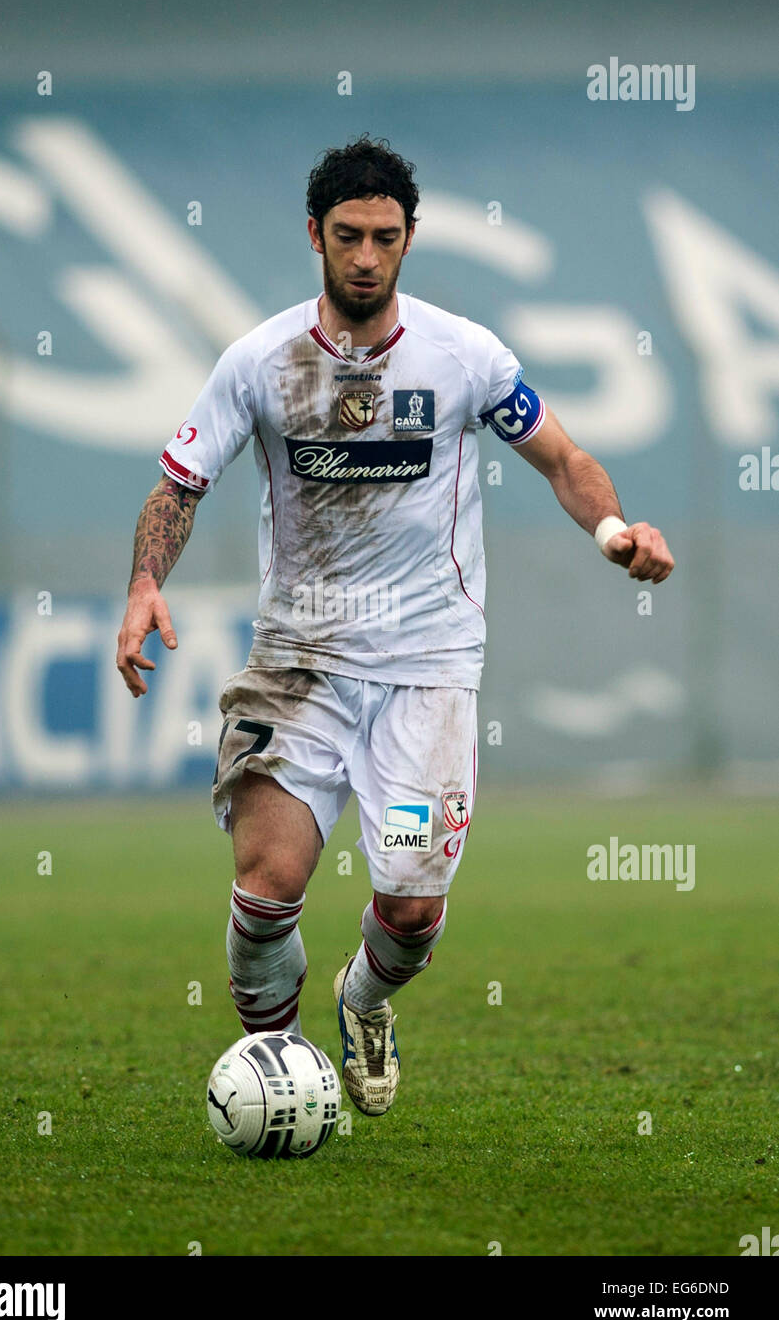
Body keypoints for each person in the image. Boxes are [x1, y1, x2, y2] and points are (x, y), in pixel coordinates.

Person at [116, 135, 674, 1118]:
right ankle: (274, 1072)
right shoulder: (260, 360)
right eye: (346, 236)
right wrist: (142, 585)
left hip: (426, 674)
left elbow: (562, 456)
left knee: (411, 911)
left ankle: (362, 1000)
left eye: (383, 236)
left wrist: (613, 527)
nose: (365, 256)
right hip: (299, 667)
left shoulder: (464, 355)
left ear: (410, 238)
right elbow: (180, 481)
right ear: (314, 237)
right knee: (266, 882)